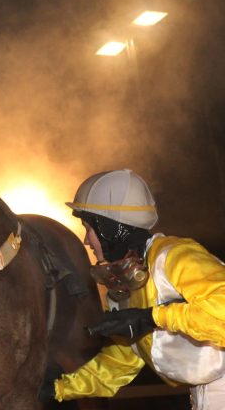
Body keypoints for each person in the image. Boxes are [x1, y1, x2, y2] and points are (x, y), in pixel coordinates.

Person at [41, 169, 225, 409]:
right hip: (204, 392)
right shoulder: (125, 286)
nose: (86, 240)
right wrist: (59, 389)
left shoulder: (174, 255)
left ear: (110, 228)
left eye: (89, 228)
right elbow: (121, 362)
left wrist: (151, 318)